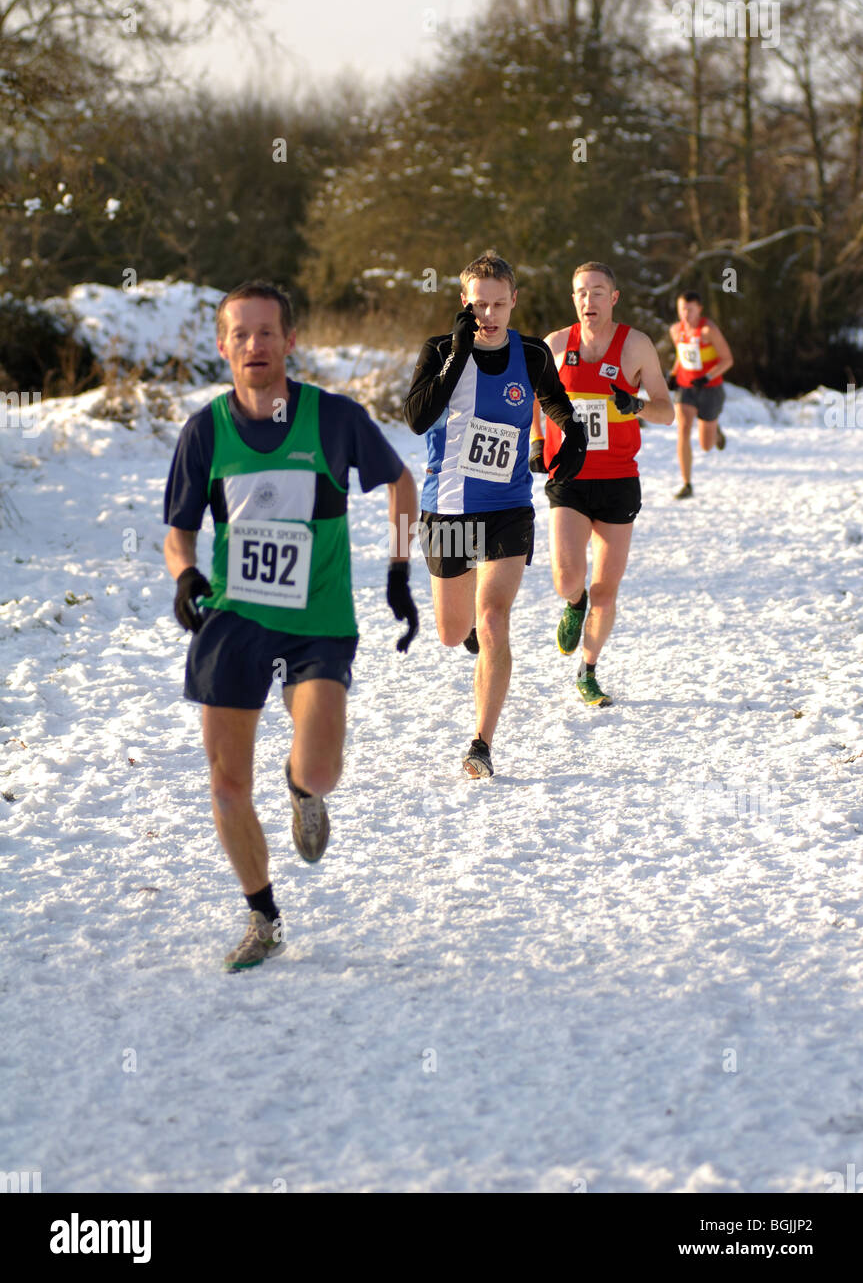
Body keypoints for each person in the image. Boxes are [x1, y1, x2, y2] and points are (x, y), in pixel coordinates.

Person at [163, 280, 418, 971]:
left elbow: (401, 483)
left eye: (266, 331)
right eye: (240, 334)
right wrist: (185, 576)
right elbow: (178, 534)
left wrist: (398, 569)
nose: (254, 344)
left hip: (318, 620)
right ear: (222, 346)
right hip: (236, 618)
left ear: (289, 341)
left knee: (322, 765)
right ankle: (263, 915)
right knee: (225, 782)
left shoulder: (334, 420)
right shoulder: (205, 431)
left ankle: (302, 790)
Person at [404, 249, 586, 778]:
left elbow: (553, 400)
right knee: (452, 629)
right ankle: (470, 643)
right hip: (449, 509)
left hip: (508, 506)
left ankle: (481, 742)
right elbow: (417, 419)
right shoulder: (440, 349)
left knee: (493, 618)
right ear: (463, 302)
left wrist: (569, 429)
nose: (488, 315)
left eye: (498, 305)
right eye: (479, 305)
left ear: (513, 303)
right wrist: (458, 354)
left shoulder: (530, 354)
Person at [530, 262, 673, 706]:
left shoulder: (637, 346)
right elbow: (533, 399)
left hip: (618, 480)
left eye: (597, 292)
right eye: (580, 292)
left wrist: (637, 405)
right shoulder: (554, 345)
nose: (587, 300)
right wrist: (537, 441)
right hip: (569, 477)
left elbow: (667, 410)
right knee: (567, 577)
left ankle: (588, 671)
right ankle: (573, 604)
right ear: (573, 299)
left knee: (606, 590)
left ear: (613, 298)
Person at [667, 289, 734, 499]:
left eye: (689, 310)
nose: (685, 314)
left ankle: (715, 431)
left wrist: (706, 377)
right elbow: (682, 354)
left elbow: (727, 359)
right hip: (686, 387)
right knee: (683, 429)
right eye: (681, 310)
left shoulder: (708, 330)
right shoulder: (676, 330)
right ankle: (687, 483)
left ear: (699, 310)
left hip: (710, 389)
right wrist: (673, 373)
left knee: (706, 445)